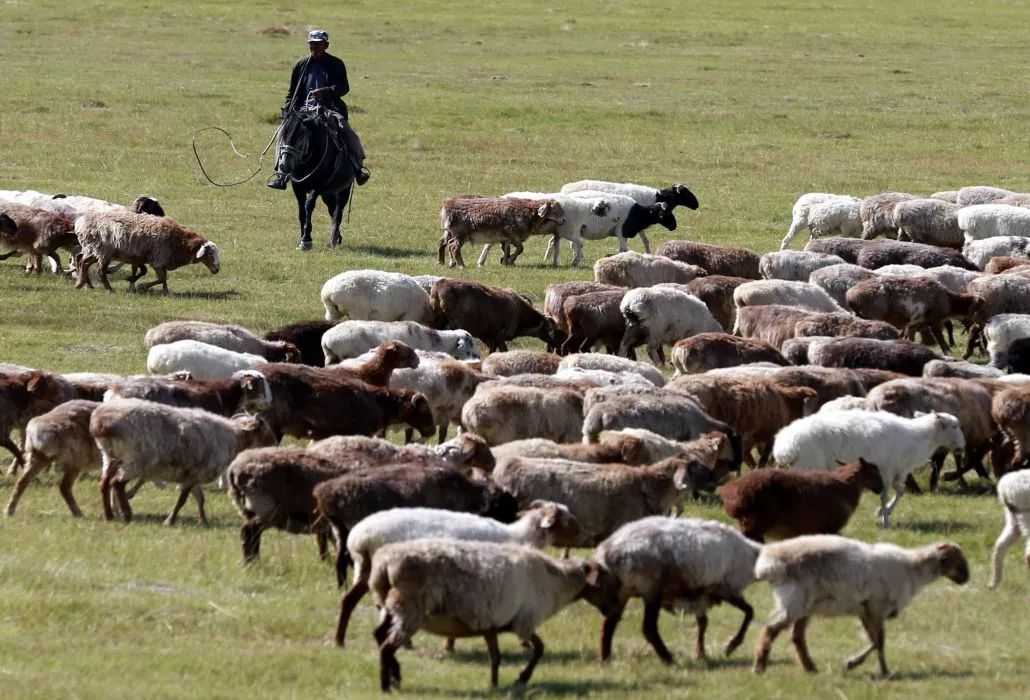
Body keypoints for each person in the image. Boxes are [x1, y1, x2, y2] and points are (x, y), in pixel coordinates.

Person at [267, 29, 370, 189]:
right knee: (283, 134)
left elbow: (344, 87)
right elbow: (292, 92)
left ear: (326, 45)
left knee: (344, 129)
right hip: (302, 110)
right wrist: (289, 110)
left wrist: (326, 92)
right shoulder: (301, 64)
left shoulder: (336, 64)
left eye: (318, 44)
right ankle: (281, 174)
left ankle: (357, 168)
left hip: (329, 109)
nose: (314, 47)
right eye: (312, 44)